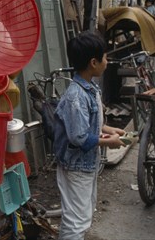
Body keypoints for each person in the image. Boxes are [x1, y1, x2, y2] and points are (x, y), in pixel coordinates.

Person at [52, 31, 125, 240]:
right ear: (93, 62)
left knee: (83, 215)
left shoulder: (90, 88)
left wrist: (110, 130)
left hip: (86, 165)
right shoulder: (76, 97)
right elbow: (79, 137)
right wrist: (108, 143)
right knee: (76, 222)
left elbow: (90, 124)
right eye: (105, 57)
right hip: (76, 166)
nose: (107, 61)